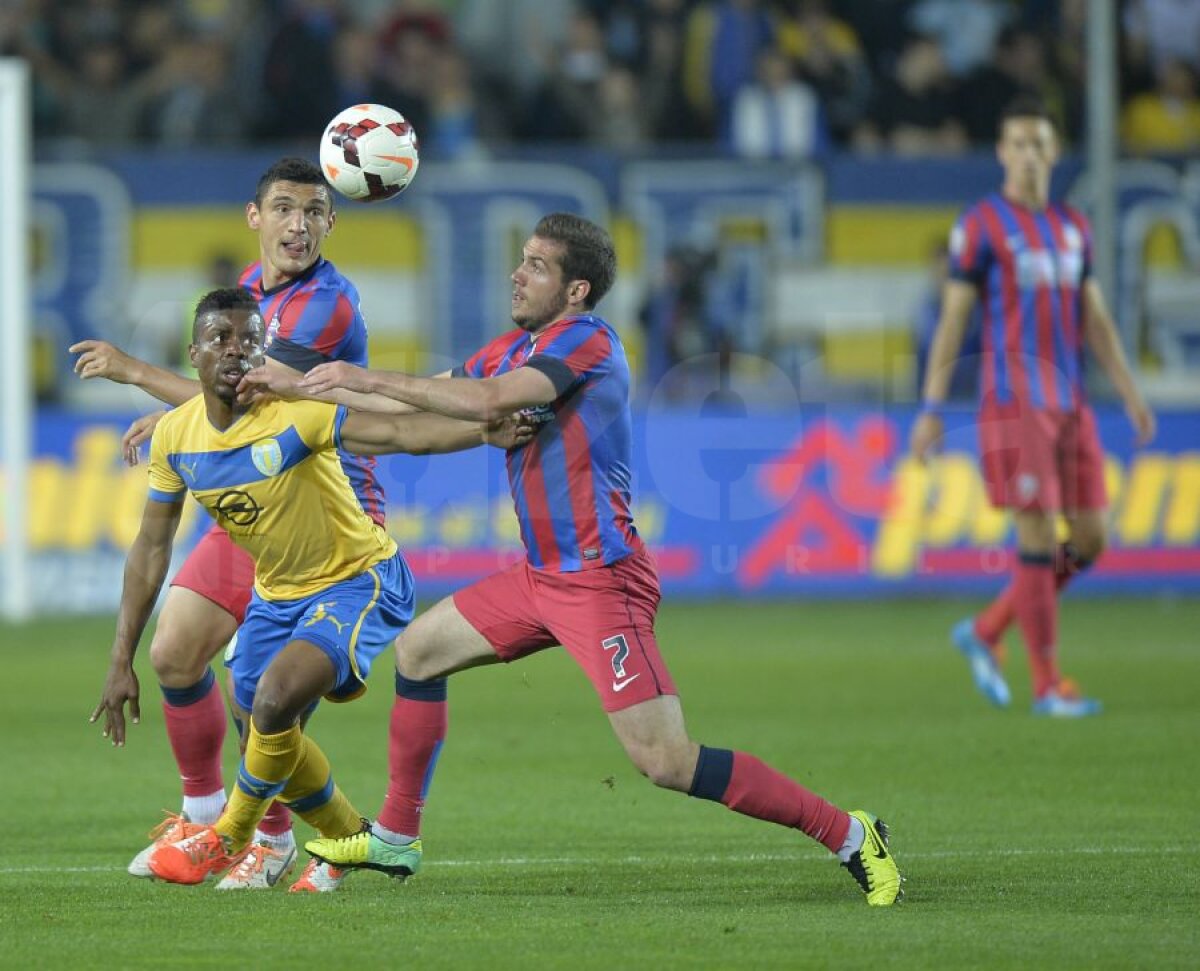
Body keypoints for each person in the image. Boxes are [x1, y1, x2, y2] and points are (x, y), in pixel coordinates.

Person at [247, 212, 903, 906]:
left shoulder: (587, 342)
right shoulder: (514, 348)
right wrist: (292, 390)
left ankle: (850, 833)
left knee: (665, 760)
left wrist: (361, 374)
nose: (516, 274)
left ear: (576, 289)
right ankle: (397, 836)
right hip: (540, 577)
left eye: (536, 265)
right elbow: (419, 415)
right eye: (521, 259)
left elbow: (486, 399)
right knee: (419, 652)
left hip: (600, 581)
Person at [97, 288, 529, 890]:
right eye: (220, 338)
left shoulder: (295, 413)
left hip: (359, 580)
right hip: (276, 597)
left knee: (274, 701)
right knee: (264, 731)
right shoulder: (175, 436)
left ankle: (227, 836)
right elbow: (150, 549)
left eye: (251, 340)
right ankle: (353, 840)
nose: (236, 350)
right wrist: (121, 658)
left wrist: (483, 430)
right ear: (193, 353)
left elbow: (401, 434)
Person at [74, 157, 416, 891]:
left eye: (314, 211)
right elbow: (221, 400)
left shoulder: (326, 304)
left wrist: (136, 373)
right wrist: (182, 416)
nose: (299, 224)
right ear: (254, 218)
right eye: (285, 208)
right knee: (175, 655)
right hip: (250, 501)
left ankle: (266, 837)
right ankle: (207, 816)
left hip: (321, 507)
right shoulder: (252, 292)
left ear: (332, 222)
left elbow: (245, 393)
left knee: (269, 701)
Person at [910, 96, 1156, 717]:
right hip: (1013, 401)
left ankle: (988, 629)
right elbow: (954, 320)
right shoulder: (980, 226)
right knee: (1039, 533)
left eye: (1038, 144)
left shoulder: (1074, 226)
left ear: (1054, 151)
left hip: (1071, 401)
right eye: (1017, 143)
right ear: (1001, 152)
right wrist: (931, 406)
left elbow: (1095, 318)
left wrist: (1130, 393)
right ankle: (1048, 685)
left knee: (1092, 538)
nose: (1028, 155)